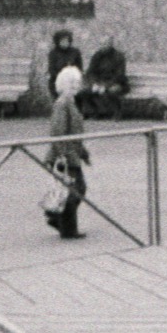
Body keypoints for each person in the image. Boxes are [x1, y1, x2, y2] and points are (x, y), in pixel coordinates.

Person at [45, 65, 90, 239]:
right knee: (75, 190)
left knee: (72, 190)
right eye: (71, 83)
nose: (75, 86)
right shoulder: (63, 103)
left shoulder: (70, 102)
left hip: (70, 153)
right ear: (62, 84)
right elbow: (58, 131)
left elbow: (74, 132)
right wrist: (63, 154)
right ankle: (63, 224)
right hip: (64, 155)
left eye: (77, 82)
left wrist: (83, 152)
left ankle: (58, 219)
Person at [83, 37, 130, 119]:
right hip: (99, 82)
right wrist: (94, 83)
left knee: (112, 91)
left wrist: (105, 86)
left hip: (117, 83)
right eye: (101, 44)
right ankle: (95, 112)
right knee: (86, 92)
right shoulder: (96, 56)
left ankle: (116, 113)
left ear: (110, 44)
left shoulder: (119, 56)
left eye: (105, 44)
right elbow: (90, 72)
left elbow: (119, 75)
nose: (102, 46)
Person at [47, 29, 83, 98]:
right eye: (62, 41)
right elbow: (52, 69)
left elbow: (79, 68)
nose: (65, 43)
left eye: (67, 41)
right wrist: (63, 77)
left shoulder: (75, 52)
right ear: (58, 42)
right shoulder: (53, 53)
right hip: (57, 83)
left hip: (73, 82)